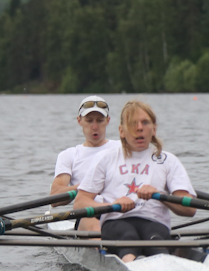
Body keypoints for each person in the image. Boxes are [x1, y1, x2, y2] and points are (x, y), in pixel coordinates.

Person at [74, 100, 196, 262]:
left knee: (156, 241)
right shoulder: (106, 158)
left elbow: (190, 209)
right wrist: (111, 206)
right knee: (127, 237)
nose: (139, 128)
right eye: (133, 123)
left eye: (145, 122)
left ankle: (162, 266)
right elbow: (80, 203)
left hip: (154, 223)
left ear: (154, 129)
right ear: (121, 131)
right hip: (116, 222)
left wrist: (159, 195)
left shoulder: (168, 161)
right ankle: (132, 263)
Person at [50, 96, 121, 231]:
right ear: (79, 121)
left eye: (100, 121)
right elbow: (54, 197)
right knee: (93, 224)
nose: (95, 127)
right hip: (88, 215)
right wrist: (88, 187)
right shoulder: (69, 155)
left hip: (120, 211)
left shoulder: (122, 148)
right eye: (89, 121)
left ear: (108, 121)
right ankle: (104, 249)